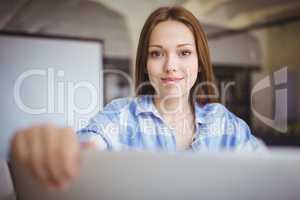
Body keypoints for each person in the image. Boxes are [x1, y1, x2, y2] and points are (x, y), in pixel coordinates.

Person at [10, 6, 266, 191]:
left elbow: (271, 179)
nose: (170, 66)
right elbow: (87, 145)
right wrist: (56, 147)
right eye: (157, 54)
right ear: (145, 64)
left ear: (199, 63)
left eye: (185, 52)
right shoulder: (120, 117)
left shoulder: (226, 124)